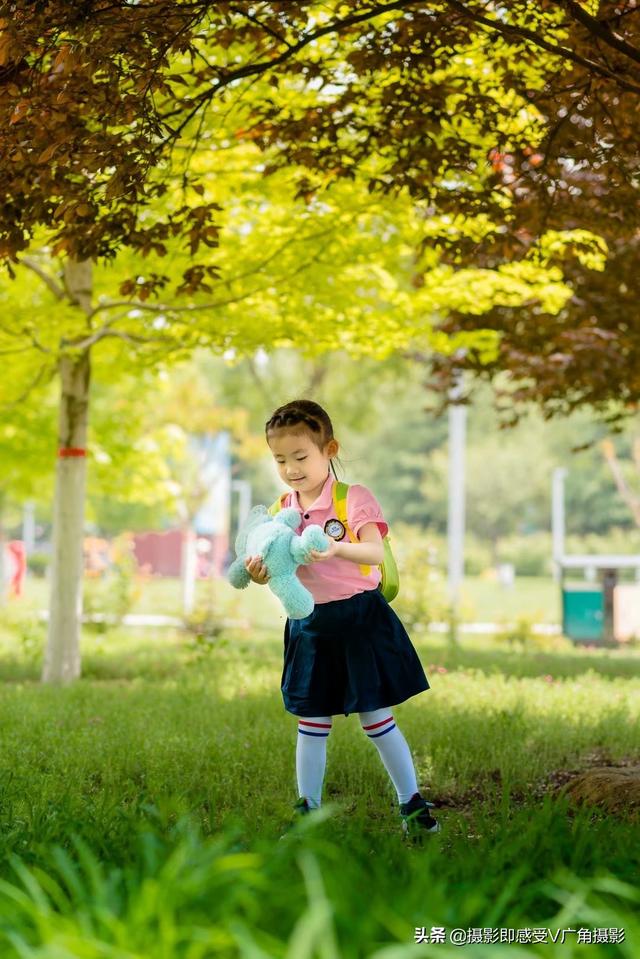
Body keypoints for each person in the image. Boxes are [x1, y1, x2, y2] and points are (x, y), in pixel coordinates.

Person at [245, 399, 440, 837]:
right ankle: (307, 811)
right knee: (311, 721)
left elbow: (373, 551)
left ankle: (412, 805)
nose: (291, 468)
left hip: (359, 622)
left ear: (328, 449)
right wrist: (258, 575)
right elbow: (278, 568)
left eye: (301, 456)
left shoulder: (351, 498)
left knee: (377, 718)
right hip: (311, 626)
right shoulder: (280, 510)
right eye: (280, 459)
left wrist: (336, 548)